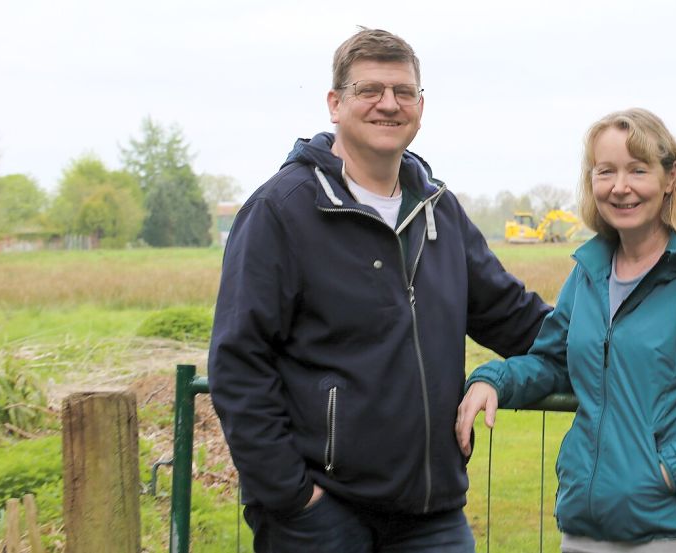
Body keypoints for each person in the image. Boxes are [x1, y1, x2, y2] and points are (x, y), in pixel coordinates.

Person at [208, 27, 550, 553]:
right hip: (322, 515)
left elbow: (517, 320)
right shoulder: (283, 210)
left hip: (431, 513)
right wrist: (292, 495)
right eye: (370, 90)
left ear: (420, 105)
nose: (388, 105)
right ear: (334, 104)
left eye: (403, 92)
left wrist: (628, 338)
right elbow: (238, 362)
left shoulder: (439, 211)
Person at [456, 108, 676, 552]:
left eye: (637, 170)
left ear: (671, 177)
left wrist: (668, 471)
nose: (620, 187)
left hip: (674, 533)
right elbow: (554, 362)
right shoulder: (589, 273)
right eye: (605, 171)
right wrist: (495, 380)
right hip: (586, 526)